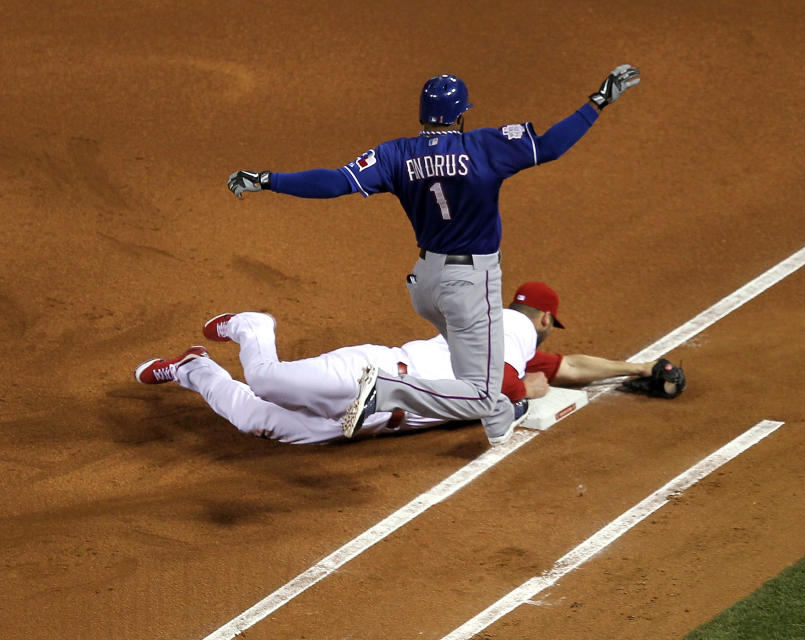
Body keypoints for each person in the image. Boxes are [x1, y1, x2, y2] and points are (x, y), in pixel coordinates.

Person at [226, 65, 641, 446]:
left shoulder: (395, 154)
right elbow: (550, 145)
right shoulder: (484, 146)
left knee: (480, 376)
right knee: (483, 390)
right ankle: (387, 392)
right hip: (469, 285)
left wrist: (268, 180)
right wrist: (597, 102)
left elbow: (334, 183)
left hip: (424, 284)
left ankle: (500, 422)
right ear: (461, 115)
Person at [133, 282, 683, 445]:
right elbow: (512, 388)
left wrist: (637, 367)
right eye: (548, 325)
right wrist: (530, 391)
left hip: (370, 417)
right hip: (370, 375)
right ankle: (255, 327)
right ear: (540, 316)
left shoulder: (515, 343)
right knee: (267, 378)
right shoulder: (508, 332)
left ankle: (194, 369)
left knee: (259, 420)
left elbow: (571, 366)